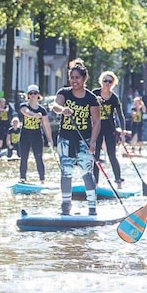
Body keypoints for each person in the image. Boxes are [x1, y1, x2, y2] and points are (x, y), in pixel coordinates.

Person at [51, 63, 101, 216]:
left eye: (77, 78)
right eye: (72, 78)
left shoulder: (91, 98)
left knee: (86, 172)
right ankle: (66, 206)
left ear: (84, 78)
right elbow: (55, 106)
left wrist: (92, 143)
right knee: (66, 172)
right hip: (65, 138)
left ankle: (92, 207)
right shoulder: (64, 93)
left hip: (83, 140)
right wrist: (62, 110)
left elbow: (97, 121)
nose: (74, 81)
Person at [91, 71, 125, 189]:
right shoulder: (94, 93)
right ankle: (94, 183)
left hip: (110, 128)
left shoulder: (114, 98)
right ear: (101, 82)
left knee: (111, 155)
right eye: (105, 81)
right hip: (96, 127)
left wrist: (122, 133)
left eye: (109, 81)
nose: (107, 83)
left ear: (113, 83)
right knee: (95, 155)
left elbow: (120, 116)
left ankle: (118, 181)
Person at [18, 84, 54, 184]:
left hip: (37, 136)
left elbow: (46, 125)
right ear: (28, 95)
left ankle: (42, 180)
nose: (33, 95)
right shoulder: (24, 106)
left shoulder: (42, 110)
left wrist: (50, 140)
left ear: (38, 95)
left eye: (35, 93)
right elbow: (26, 112)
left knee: (39, 158)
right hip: (25, 135)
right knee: (24, 158)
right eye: (31, 93)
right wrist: (35, 115)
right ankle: (22, 179)